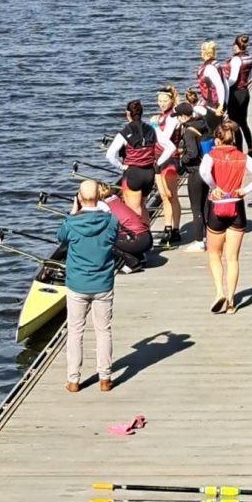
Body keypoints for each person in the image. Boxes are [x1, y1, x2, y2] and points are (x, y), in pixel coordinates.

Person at [199, 120, 252, 314]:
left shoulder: (211, 156)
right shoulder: (242, 157)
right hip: (236, 206)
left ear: (217, 140)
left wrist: (214, 187)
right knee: (232, 258)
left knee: (214, 254)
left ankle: (219, 292)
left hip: (217, 207)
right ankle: (231, 301)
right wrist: (245, 190)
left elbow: (204, 172)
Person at [59, 179, 119, 392]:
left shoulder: (71, 223)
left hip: (77, 283)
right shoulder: (111, 221)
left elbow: (61, 237)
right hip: (103, 283)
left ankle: (73, 380)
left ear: (79, 198)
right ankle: (105, 378)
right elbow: (115, 236)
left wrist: (72, 213)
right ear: (99, 197)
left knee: (75, 331)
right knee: (103, 330)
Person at [105, 99, 174, 220]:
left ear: (128, 114)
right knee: (142, 206)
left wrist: (121, 166)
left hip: (133, 174)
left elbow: (109, 155)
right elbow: (170, 147)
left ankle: (138, 232)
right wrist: (157, 162)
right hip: (149, 173)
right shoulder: (152, 129)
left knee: (134, 211)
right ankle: (147, 231)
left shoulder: (123, 133)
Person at [176, 101, 211, 252]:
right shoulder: (203, 124)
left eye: (178, 116)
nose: (177, 119)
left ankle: (199, 241)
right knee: (205, 206)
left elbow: (192, 153)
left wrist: (182, 160)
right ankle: (208, 238)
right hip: (207, 170)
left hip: (195, 172)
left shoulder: (189, 131)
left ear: (184, 116)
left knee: (196, 208)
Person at [152, 87, 184, 248]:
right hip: (157, 158)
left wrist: (153, 125)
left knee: (172, 195)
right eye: (160, 101)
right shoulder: (160, 117)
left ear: (172, 100)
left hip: (170, 158)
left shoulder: (173, 118)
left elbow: (165, 137)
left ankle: (176, 229)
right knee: (163, 196)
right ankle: (167, 227)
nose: (162, 104)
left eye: (165, 101)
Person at [97, 183, 153, 272]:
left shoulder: (102, 205)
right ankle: (139, 256)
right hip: (146, 236)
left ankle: (131, 262)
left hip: (137, 240)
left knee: (101, 238)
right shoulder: (115, 199)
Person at [224, 34, 252, 155]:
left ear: (236, 46)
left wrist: (224, 86)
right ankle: (251, 150)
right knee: (244, 122)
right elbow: (251, 76)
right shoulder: (249, 58)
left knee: (234, 123)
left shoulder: (236, 60)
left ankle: (239, 151)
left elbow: (233, 79)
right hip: (245, 92)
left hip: (236, 93)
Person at [195, 41, 227, 118]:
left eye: (201, 51)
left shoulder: (209, 68)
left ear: (204, 52)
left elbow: (220, 86)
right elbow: (225, 83)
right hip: (211, 102)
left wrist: (221, 105)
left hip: (213, 104)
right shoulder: (216, 64)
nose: (200, 53)